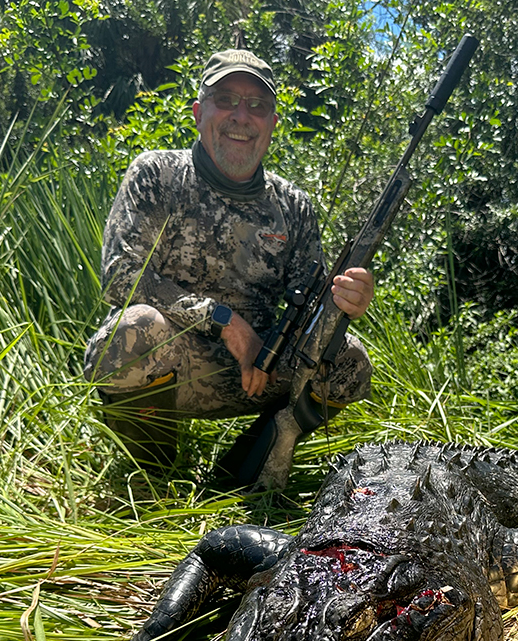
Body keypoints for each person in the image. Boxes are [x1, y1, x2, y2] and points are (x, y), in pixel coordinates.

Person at [83, 48, 375, 482]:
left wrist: (347, 300)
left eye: (257, 106)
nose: (242, 116)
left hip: (261, 370)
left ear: (272, 124)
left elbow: (313, 314)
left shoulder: (292, 205)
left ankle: (257, 460)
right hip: (174, 363)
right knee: (130, 331)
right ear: (200, 113)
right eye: (226, 100)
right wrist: (224, 321)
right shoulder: (156, 174)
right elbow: (122, 278)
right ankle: (154, 475)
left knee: (349, 360)